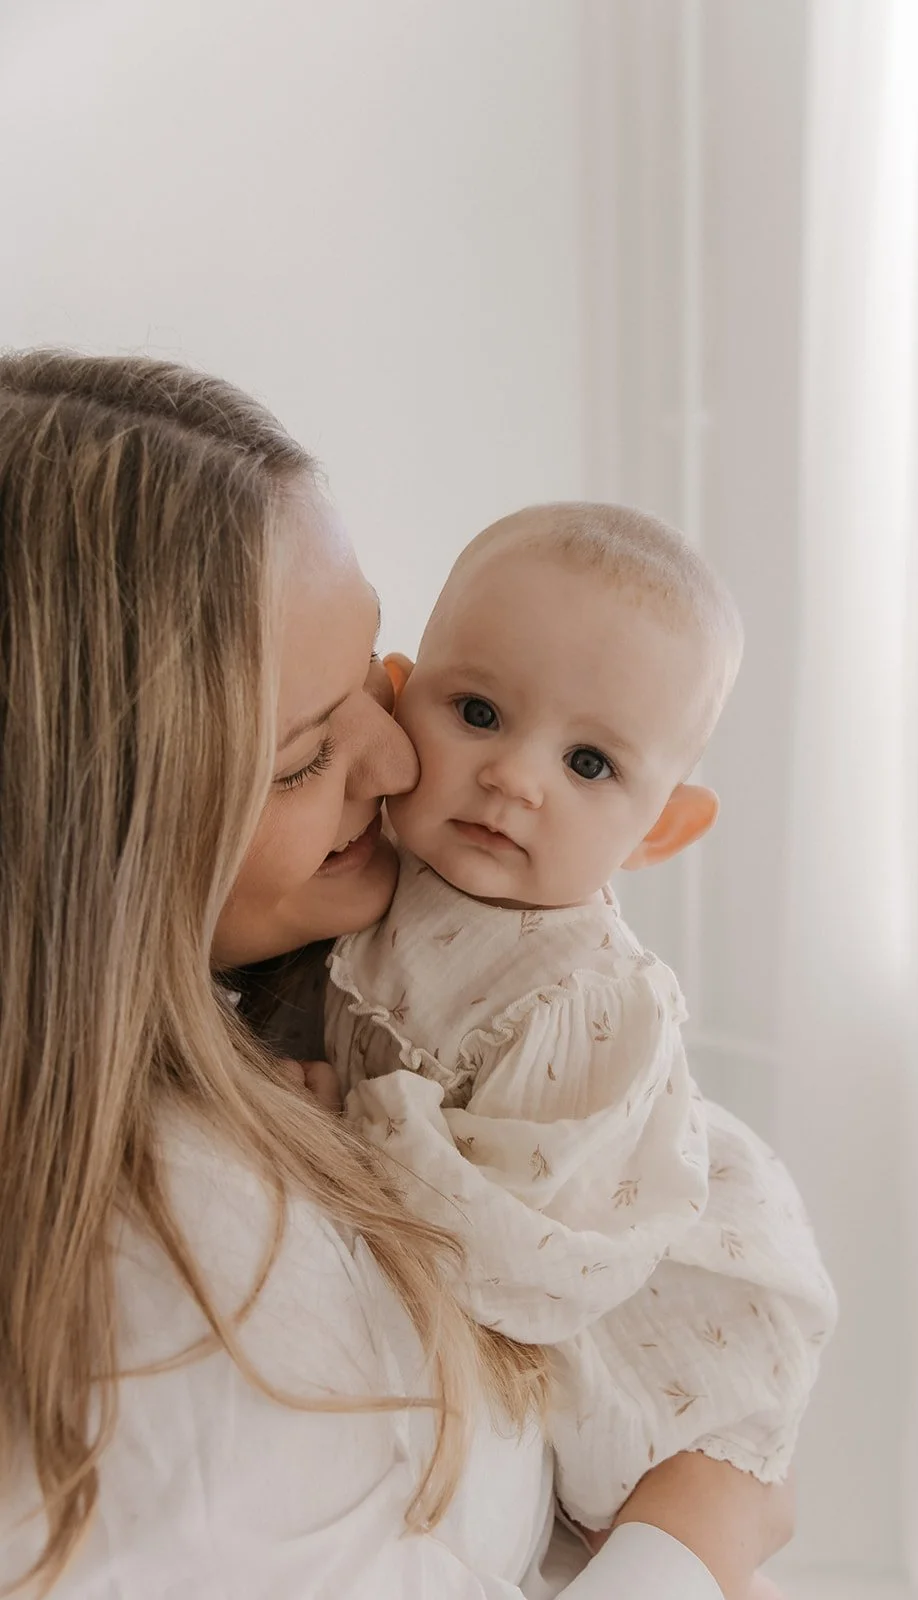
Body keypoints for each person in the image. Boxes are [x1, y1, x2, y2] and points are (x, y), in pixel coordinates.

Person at [0, 350, 795, 1599]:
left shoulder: (527, 977)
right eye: (305, 756)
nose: (396, 757)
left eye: (376, 675)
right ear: (92, 838)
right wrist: (696, 1536)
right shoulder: (192, 1286)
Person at [323, 507, 836, 1562]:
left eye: (590, 763)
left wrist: (347, 1120)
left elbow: (520, 1243)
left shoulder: (585, 995)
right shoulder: (363, 863)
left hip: (638, 1287)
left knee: (669, 1530)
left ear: (661, 828)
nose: (516, 777)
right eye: (477, 712)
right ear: (397, 695)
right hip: (548, 1278)